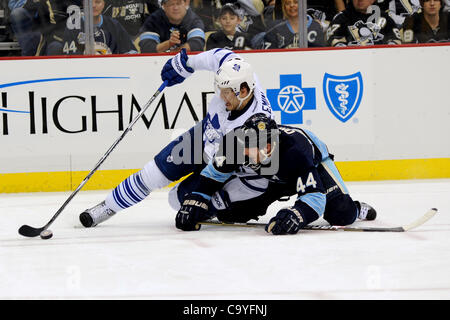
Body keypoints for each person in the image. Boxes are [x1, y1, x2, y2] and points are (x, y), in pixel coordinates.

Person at [79, 48, 274, 228]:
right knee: (152, 173)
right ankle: (108, 206)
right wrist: (188, 64)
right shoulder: (238, 75)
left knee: (176, 199)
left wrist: (220, 199)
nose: (221, 97)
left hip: (221, 166)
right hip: (202, 137)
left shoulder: (258, 130)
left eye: (226, 93)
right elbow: (220, 55)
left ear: (244, 91)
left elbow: (259, 180)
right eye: (220, 90)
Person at [173, 113, 377, 235]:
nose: (246, 150)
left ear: (270, 145)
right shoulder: (236, 144)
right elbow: (212, 175)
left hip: (314, 164)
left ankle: (356, 208)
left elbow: (314, 196)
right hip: (274, 177)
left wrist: (297, 215)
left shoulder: (295, 152)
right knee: (233, 215)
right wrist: (197, 199)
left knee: (341, 213)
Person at [48, 0, 137, 55]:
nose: (93, 5)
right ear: (83, 3)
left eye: (98, 2)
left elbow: (132, 52)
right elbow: (69, 58)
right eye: (89, 2)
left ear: (103, 4)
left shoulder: (114, 25)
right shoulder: (73, 26)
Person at [137, 0, 205, 53]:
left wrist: (173, 53)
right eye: (171, 4)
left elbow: (197, 45)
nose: (175, 8)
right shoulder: (153, 20)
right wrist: (169, 43)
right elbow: (146, 48)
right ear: (164, 6)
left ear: (186, 3)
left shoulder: (194, 20)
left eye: (178, 3)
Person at [326, 0, 402, 46]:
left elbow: (396, 40)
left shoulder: (385, 18)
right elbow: (332, 40)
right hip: (350, 63)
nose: (360, 0)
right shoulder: (341, 18)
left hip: (379, 61)